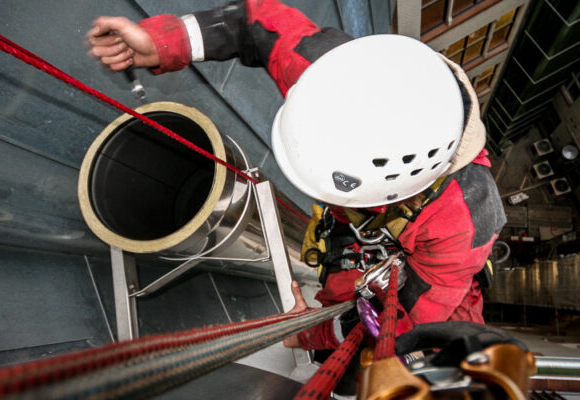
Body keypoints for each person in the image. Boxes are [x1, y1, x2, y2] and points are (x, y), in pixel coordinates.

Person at [87, 0, 505, 355]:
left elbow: (402, 321)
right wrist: (162, 43)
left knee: (396, 356)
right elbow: (252, 26)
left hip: (428, 281)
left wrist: (313, 333)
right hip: (364, 225)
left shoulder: (465, 216)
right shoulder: (331, 77)